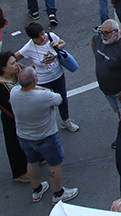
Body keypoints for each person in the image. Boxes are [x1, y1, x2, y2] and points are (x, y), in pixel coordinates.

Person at [9, 66, 78, 204]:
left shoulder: (14, 92)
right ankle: (58, 193)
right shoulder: (43, 96)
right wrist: (40, 88)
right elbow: (59, 99)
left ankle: (37, 189)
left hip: (24, 137)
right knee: (54, 164)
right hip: (45, 137)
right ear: (35, 80)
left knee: (32, 161)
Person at [0, 51, 28, 183]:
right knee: (15, 145)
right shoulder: (1, 88)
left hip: (20, 117)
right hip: (12, 120)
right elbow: (17, 103)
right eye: (12, 63)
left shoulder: (13, 77)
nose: (16, 65)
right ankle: (20, 173)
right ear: (3, 69)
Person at [92, 21, 121, 117]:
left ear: (116, 31)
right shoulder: (99, 38)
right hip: (108, 91)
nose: (103, 36)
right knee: (120, 112)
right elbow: (94, 43)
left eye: (106, 33)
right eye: (101, 32)